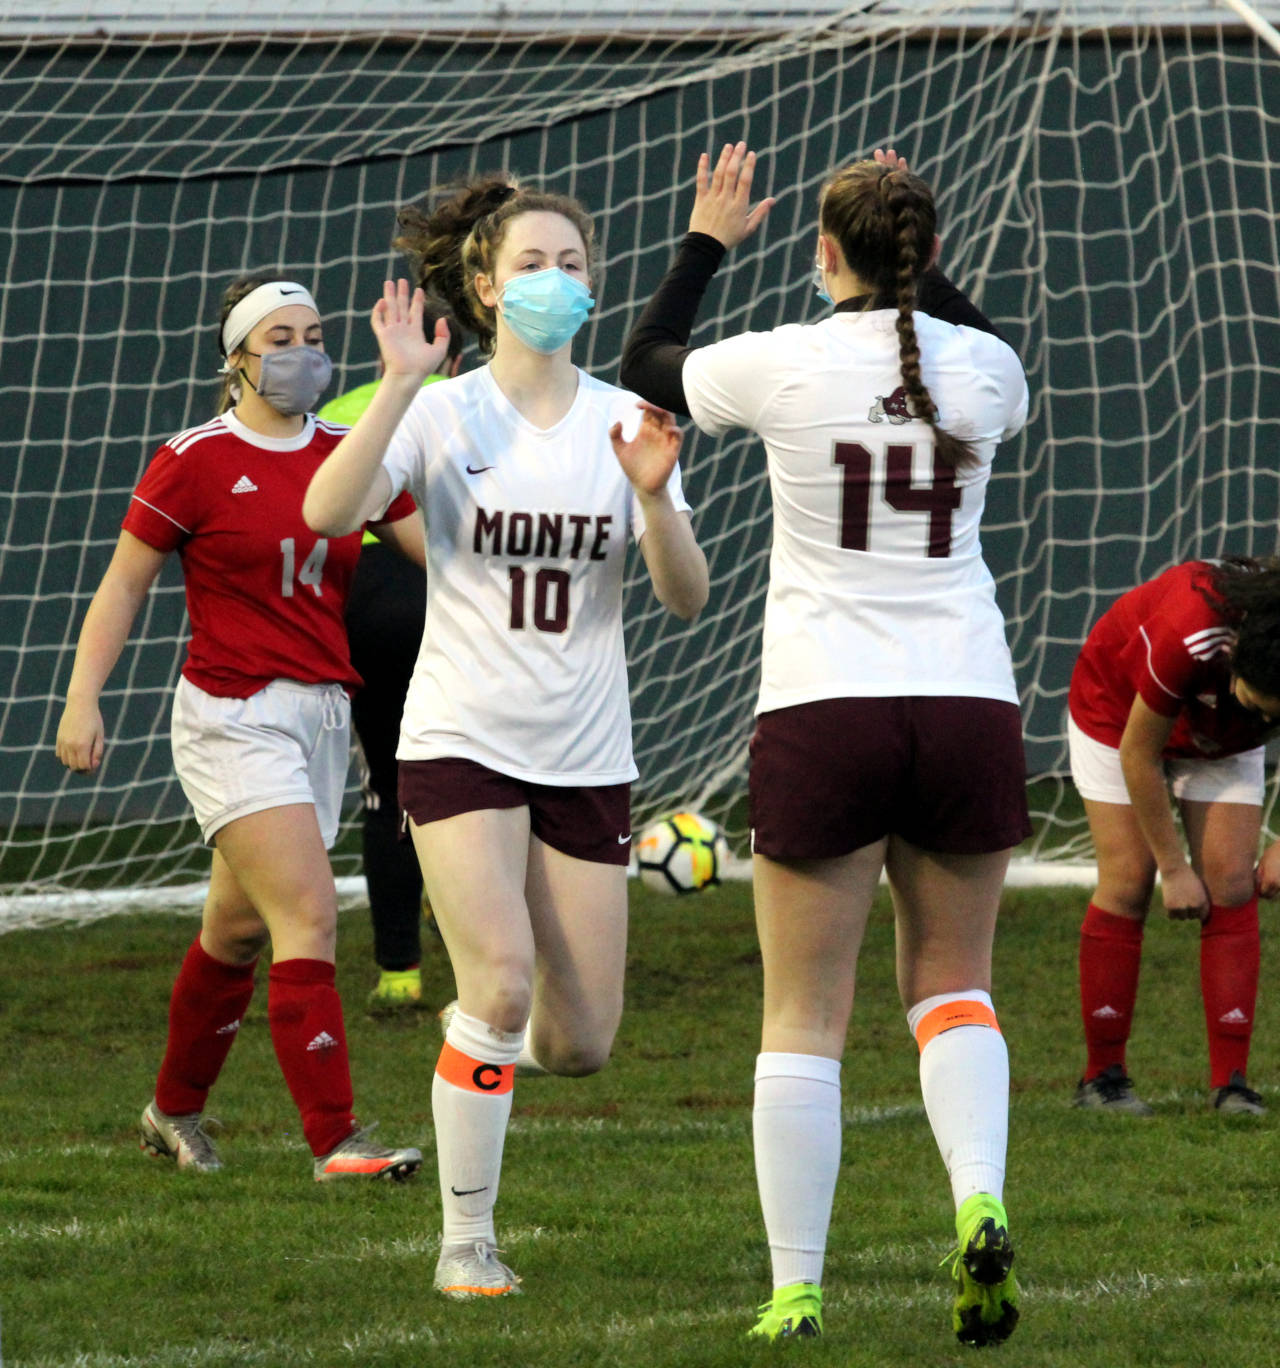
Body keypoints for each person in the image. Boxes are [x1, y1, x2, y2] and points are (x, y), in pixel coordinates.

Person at [619, 143, 1029, 1348]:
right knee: (954, 986)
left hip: (824, 708)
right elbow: (960, 334)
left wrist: (705, 240)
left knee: (803, 1013)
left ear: (823, 253)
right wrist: (909, 253)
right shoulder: (989, 369)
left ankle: (796, 1290)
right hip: (964, 702)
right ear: (930, 252)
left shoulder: (777, 361)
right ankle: (979, 1202)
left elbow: (643, 364)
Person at [302, 175, 709, 1299]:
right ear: (481, 287)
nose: (553, 283)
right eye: (529, 266)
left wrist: (659, 500)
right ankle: (464, 1245)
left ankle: (470, 1048)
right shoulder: (440, 411)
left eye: (570, 264)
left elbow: (684, 597)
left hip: (586, 749)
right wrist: (392, 386)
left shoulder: (626, 421)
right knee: (500, 984)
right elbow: (327, 513)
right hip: (458, 737)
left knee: (576, 1042)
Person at [55, 273, 425, 1183]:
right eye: (280, 339)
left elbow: (444, 557)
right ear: (238, 361)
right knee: (306, 911)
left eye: (314, 334)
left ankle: (170, 1111)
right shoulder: (194, 457)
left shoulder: (351, 452)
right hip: (232, 713)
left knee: (235, 933)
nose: (303, 352)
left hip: (322, 715)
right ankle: (337, 1141)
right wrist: (80, 696)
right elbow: (125, 584)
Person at [1068, 556, 1280, 1117]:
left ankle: (1232, 1082)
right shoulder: (1188, 635)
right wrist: (1174, 867)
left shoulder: (1260, 688)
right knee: (1128, 880)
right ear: (1236, 660)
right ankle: (1101, 1078)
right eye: (1262, 706)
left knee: (1233, 881)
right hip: (1117, 713)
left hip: (1219, 725)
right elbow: (1138, 755)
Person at [319, 307, 464, 1012]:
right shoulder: (471, 403)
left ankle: (399, 972)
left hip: (361, 601)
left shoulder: (340, 412)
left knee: (389, 787)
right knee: (477, 772)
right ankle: (466, 912)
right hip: (448, 588)